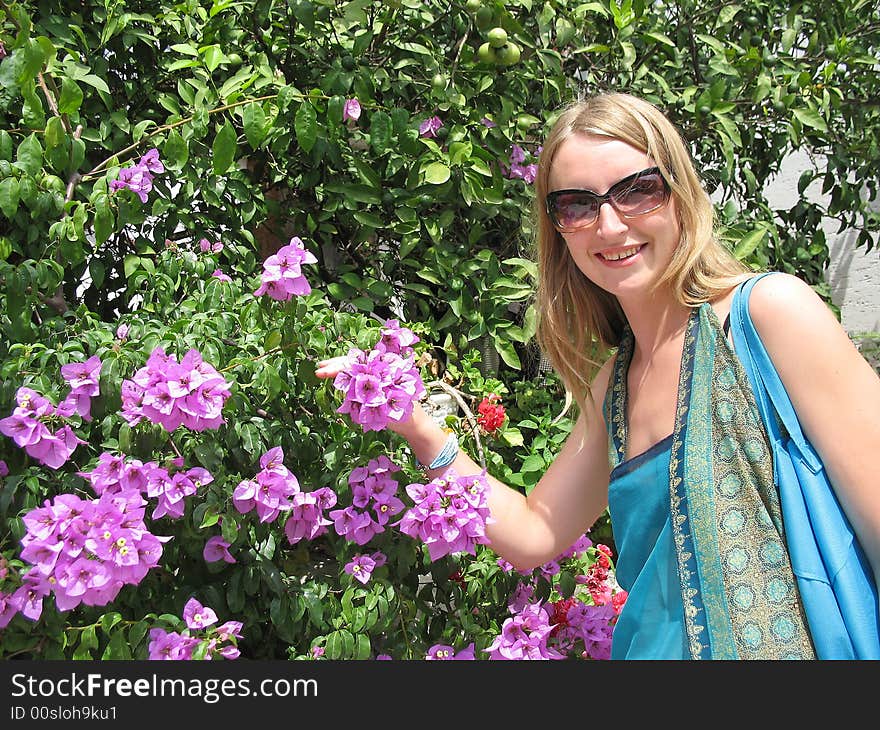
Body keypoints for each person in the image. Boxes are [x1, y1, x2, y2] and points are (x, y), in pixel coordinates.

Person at [316, 91, 880, 659]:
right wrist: (416, 424)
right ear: (557, 227)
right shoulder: (616, 382)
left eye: (638, 190)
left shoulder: (766, 316)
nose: (609, 226)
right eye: (578, 205)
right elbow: (534, 533)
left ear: (680, 192)